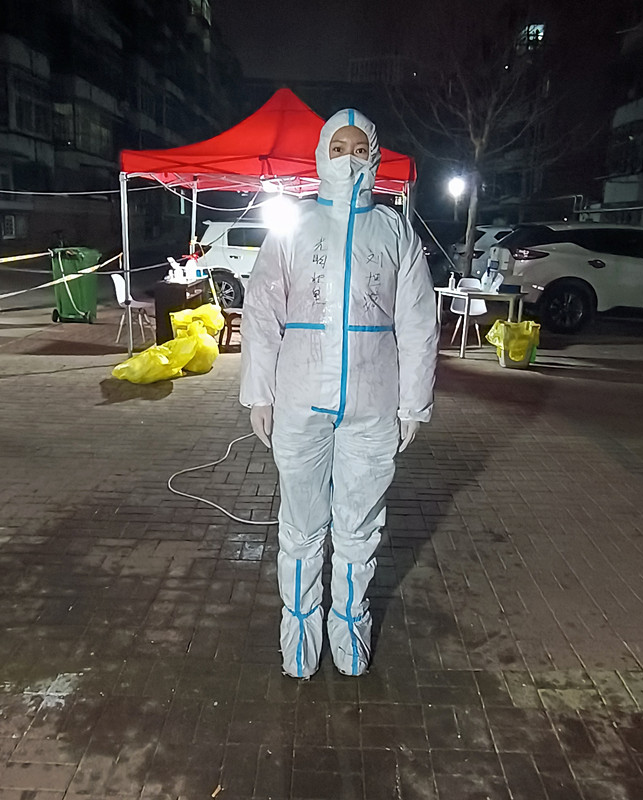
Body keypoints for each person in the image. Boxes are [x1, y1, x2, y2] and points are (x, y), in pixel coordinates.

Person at [240, 109, 438, 679]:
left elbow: (418, 322)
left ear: (373, 155)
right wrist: (260, 392)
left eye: (359, 148)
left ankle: (350, 627)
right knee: (301, 525)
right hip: (300, 399)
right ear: (321, 153)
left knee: (358, 525)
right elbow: (262, 311)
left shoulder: (394, 231)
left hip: (372, 404)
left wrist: (413, 402)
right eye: (338, 147)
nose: (349, 159)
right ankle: (299, 633)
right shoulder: (296, 226)